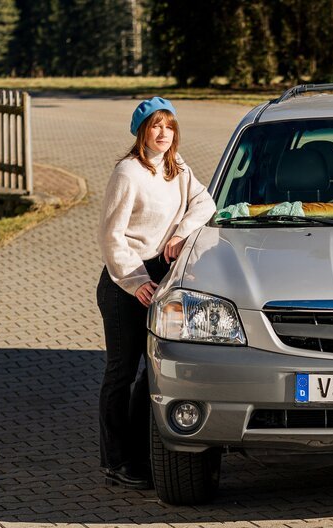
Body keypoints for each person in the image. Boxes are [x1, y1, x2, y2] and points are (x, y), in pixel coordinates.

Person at [96, 97, 216, 489]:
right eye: (155, 126)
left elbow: (205, 202)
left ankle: (141, 454)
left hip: (162, 279)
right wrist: (135, 282)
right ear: (141, 131)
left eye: (169, 126)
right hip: (125, 282)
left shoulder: (176, 167)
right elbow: (111, 236)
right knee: (123, 372)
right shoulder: (128, 173)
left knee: (154, 370)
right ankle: (116, 461)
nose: (163, 134)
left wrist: (181, 232)